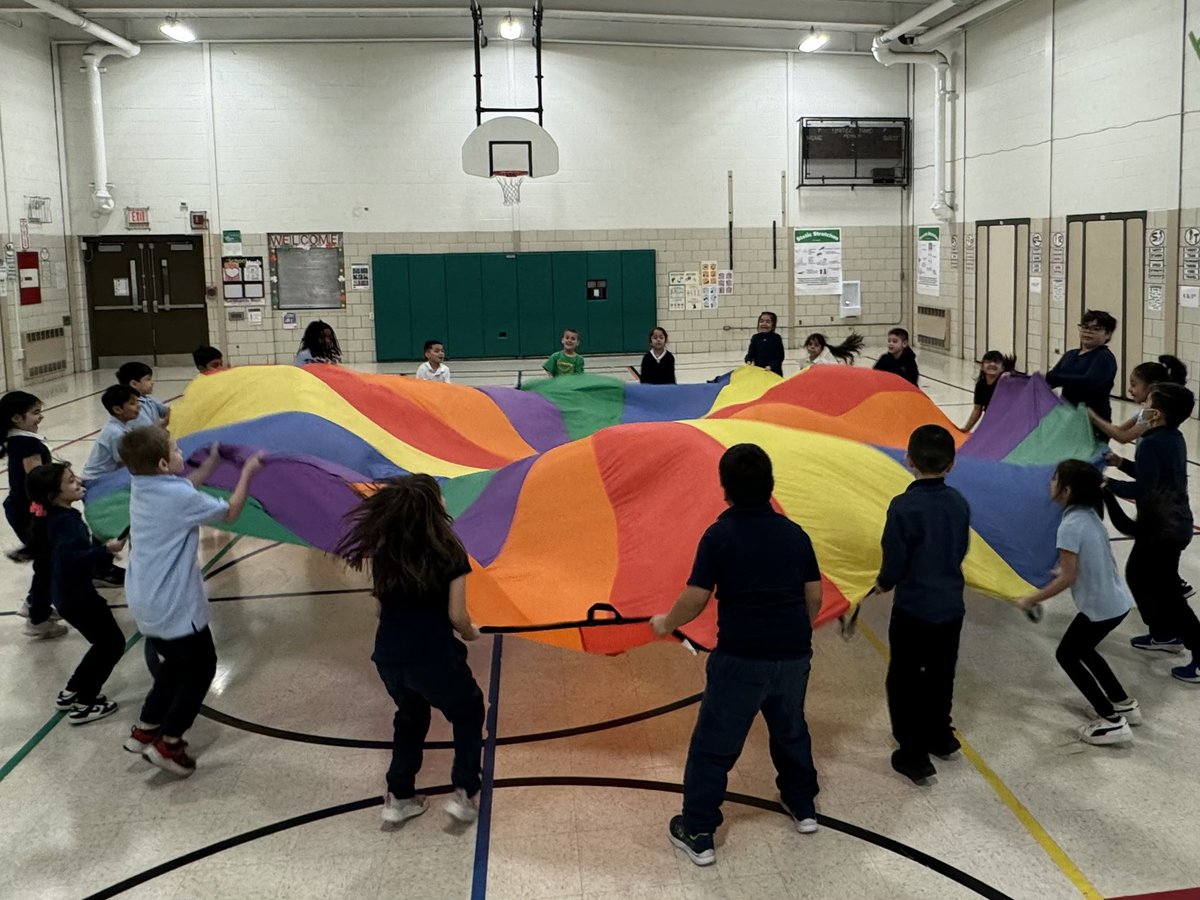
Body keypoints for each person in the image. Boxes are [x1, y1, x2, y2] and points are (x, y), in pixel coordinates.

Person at [650, 444, 823, 867]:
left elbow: (695, 597)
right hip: (793, 657)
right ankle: (802, 806)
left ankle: (698, 829)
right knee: (791, 730)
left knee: (714, 744)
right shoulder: (794, 534)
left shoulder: (719, 536)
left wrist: (666, 623)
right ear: (772, 487)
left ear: (724, 489)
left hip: (741, 660)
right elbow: (813, 595)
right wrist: (794, 632)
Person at [335, 474, 486, 827]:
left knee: (410, 716)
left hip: (389, 656)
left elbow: (380, 607)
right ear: (433, 507)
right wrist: (471, 633)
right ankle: (464, 792)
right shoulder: (449, 551)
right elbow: (457, 615)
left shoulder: (386, 551)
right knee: (468, 712)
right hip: (433, 657)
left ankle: (399, 795)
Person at [117, 426, 264, 776]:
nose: (184, 453)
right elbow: (230, 512)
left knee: (173, 666)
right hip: (175, 605)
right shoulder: (176, 496)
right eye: (177, 450)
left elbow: (186, 486)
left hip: (145, 600)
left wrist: (210, 464)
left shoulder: (144, 485)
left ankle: (147, 727)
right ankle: (170, 743)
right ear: (165, 462)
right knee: (200, 669)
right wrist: (247, 472)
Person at [1017, 460, 1140, 745]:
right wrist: (1063, 569)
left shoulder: (1069, 525)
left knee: (1067, 655)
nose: (1050, 483)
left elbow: (1068, 578)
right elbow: (1088, 558)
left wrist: (1031, 599)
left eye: (1054, 479)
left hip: (1100, 608)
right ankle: (1122, 702)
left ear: (1066, 490)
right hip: (1116, 603)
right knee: (1085, 650)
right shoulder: (1088, 515)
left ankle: (1111, 720)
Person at [875, 424, 969, 784]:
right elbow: (959, 549)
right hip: (951, 608)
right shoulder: (959, 503)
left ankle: (913, 754)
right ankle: (941, 735)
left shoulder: (903, 506)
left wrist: (882, 583)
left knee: (904, 677)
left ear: (908, 460)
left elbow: (894, 562)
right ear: (952, 464)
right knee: (942, 672)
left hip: (914, 609)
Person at [1103, 383, 1199, 683]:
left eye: (1145, 402)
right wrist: (1120, 463)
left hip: (1164, 529)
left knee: (1169, 594)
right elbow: (1152, 475)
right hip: (1168, 524)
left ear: (1154, 413)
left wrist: (1107, 485)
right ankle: (1163, 634)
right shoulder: (1171, 438)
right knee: (1137, 574)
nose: (1140, 406)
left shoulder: (1151, 442)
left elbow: (1144, 489)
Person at [26, 462, 127, 724]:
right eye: (71, 481)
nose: (79, 483)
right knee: (111, 644)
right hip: (78, 597)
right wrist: (105, 550)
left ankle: (72, 690)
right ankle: (86, 702)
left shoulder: (55, 517)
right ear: (53, 495)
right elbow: (71, 559)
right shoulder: (68, 524)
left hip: (65, 595)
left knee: (102, 643)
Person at [2, 390, 62, 636]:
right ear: (17, 418)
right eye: (35, 413)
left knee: (47, 558)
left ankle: (36, 604)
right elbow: (38, 479)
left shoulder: (18, 439)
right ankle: (37, 617)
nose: (41, 417)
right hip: (29, 510)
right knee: (47, 560)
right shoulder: (27, 444)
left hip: (22, 507)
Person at [1089, 355, 1187, 445]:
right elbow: (1120, 430)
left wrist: (1092, 416)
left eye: (1134, 385)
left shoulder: (1154, 415)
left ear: (1152, 387)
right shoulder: (1145, 411)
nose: (1129, 389)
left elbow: (1123, 437)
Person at [1046, 310, 1118, 428]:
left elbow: (1088, 382)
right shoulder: (1070, 354)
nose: (1088, 332)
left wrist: (1056, 378)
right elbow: (1050, 380)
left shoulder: (1104, 357)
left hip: (1093, 421)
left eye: (1096, 328)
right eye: (1085, 327)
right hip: (1067, 418)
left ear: (1108, 334)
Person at [81, 385, 143, 482]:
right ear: (117, 409)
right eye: (132, 403)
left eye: (137, 402)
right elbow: (124, 464)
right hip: (96, 480)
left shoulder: (122, 426)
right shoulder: (116, 433)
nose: (139, 406)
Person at [960, 351, 1018, 433]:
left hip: (1008, 422)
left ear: (1002, 368)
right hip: (991, 420)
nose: (992, 364)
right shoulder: (981, 385)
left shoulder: (1006, 382)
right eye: (988, 362)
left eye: (996, 362)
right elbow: (977, 410)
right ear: (982, 367)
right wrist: (966, 429)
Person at [116, 361, 170, 425]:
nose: (152, 382)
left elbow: (167, 411)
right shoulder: (132, 408)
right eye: (148, 379)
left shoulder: (148, 399)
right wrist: (166, 422)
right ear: (134, 384)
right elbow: (148, 431)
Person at [744, 312, 784, 377]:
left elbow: (779, 356)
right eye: (761, 321)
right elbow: (751, 352)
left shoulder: (776, 338)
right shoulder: (755, 337)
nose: (764, 324)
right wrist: (748, 360)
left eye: (768, 322)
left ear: (773, 325)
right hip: (759, 371)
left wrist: (771, 366)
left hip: (774, 371)